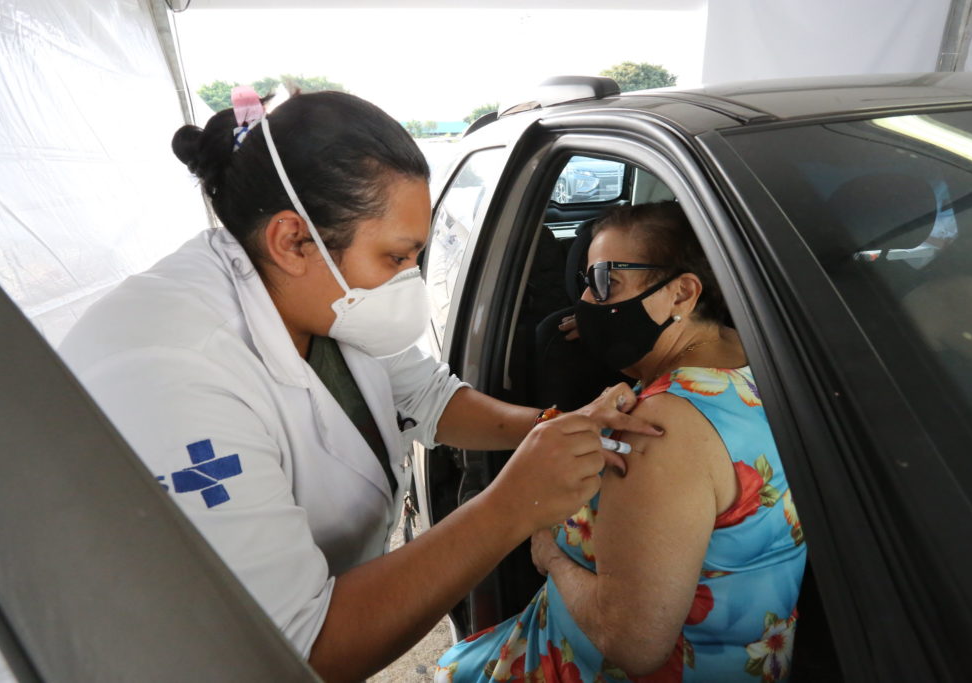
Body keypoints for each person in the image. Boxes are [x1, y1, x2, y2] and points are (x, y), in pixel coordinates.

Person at [56, 87, 660, 683]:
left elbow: (428, 396)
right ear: (293, 240)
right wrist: (511, 505)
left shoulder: (319, 295)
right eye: (397, 258)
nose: (410, 281)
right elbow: (296, 648)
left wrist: (551, 428)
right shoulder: (172, 373)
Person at [436, 202, 807, 682]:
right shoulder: (763, 362)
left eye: (606, 280)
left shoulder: (664, 428)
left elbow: (631, 640)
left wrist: (551, 558)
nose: (587, 302)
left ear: (681, 293)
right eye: (585, 283)